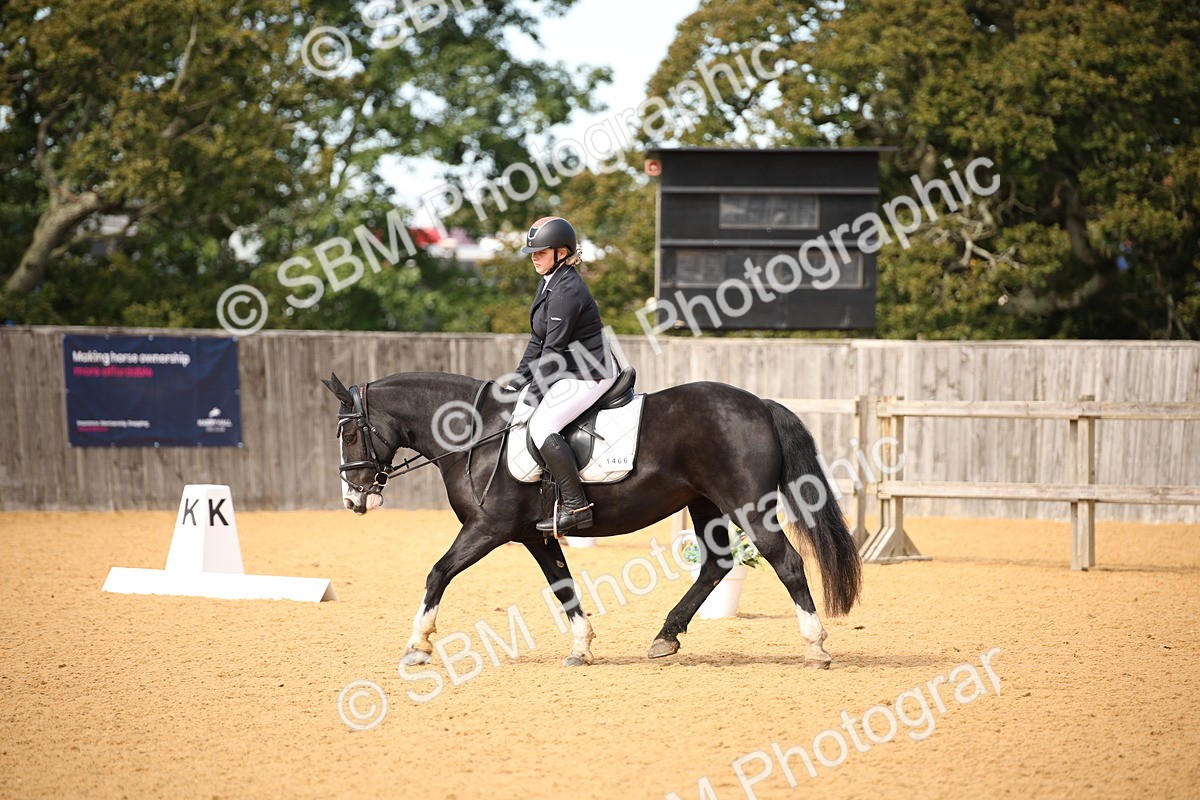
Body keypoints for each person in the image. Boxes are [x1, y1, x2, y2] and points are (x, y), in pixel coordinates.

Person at [509, 216, 616, 533]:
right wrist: (515, 384)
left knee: (542, 425)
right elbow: (536, 342)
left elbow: (552, 352)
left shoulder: (567, 289)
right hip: (570, 371)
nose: (534, 257)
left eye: (541, 251)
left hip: (591, 372)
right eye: (533, 252)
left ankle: (576, 506)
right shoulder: (549, 282)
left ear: (561, 252)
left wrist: (531, 397)